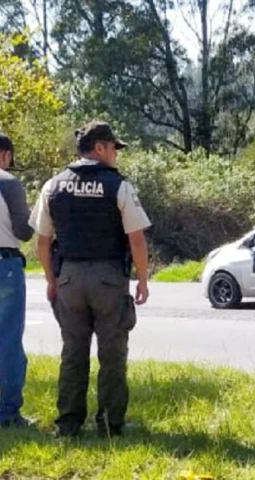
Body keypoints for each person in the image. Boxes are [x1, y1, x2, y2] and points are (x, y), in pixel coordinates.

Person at [29, 121, 152, 438]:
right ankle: (111, 424)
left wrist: (51, 280)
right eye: (114, 148)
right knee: (112, 354)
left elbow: (42, 241)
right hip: (109, 279)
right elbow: (136, 239)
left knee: (72, 353)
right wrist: (143, 279)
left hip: (69, 277)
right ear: (99, 148)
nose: (116, 155)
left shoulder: (52, 186)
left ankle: (68, 424)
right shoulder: (118, 186)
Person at [0, 133, 35, 428]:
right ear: (5, 155)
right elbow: (24, 231)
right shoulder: (8, 182)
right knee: (8, 341)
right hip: (5, 265)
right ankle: (8, 413)